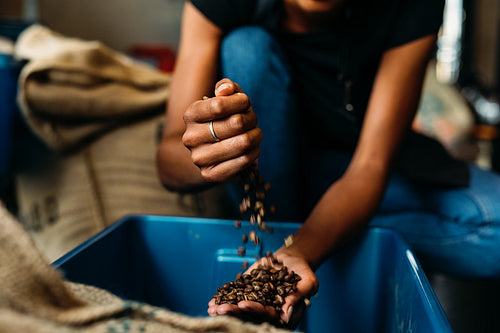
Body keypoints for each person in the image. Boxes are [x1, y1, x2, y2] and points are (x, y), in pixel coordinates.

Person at [156, 0, 500, 328]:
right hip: (269, 178)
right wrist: (208, 154)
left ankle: (322, 225)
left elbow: (370, 166)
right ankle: (325, 224)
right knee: (247, 46)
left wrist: (300, 250)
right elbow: (169, 159)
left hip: (358, 166)